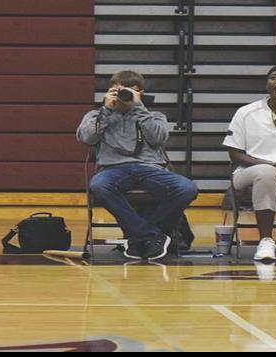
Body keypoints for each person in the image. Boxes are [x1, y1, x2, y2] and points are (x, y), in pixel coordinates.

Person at [77, 70, 198, 260]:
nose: (124, 96)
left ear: (140, 93)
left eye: (130, 91)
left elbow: (158, 138)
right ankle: (152, 236)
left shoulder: (154, 115)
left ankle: (138, 237)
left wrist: (139, 107)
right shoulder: (97, 115)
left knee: (186, 188)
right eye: (119, 91)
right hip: (112, 169)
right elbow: (86, 138)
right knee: (99, 185)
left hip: (151, 169)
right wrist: (106, 111)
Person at [223, 65, 276, 262]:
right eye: (274, 77)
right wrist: (270, 165)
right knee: (266, 173)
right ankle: (266, 241)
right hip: (249, 171)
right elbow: (235, 154)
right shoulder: (246, 113)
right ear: (267, 84)